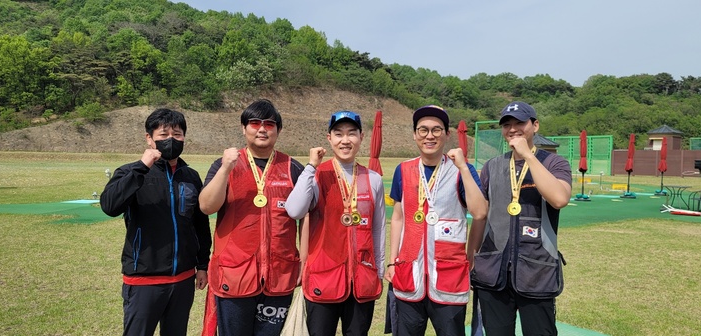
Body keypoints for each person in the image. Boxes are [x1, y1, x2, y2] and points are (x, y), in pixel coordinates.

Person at [100, 108, 212, 336]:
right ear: (149, 138)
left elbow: (200, 224)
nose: (171, 139)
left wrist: (202, 265)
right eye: (163, 135)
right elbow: (110, 206)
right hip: (143, 279)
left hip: (182, 279)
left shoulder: (190, 176)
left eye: (177, 134)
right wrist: (142, 167)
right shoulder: (130, 172)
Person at [199, 99, 305, 336]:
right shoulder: (225, 164)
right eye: (255, 123)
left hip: (279, 275)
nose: (262, 128)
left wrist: (304, 262)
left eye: (269, 124)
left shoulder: (292, 167)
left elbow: (306, 218)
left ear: (278, 129)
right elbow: (206, 206)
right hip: (234, 274)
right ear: (243, 128)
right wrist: (226, 168)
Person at [385, 105, 487, 336]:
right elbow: (398, 218)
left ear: (447, 135)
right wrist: (392, 260)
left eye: (436, 130)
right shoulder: (403, 169)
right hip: (409, 275)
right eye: (423, 130)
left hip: (449, 275)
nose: (429, 135)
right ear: (414, 134)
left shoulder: (462, 169)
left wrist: (462, 166)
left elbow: (480, 212)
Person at [471, 101, 571, 336]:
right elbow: (480, 216)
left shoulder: (554, 163)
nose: (513, 129)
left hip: (537, 271)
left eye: (520, 123)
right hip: (493, 272)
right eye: (507, 124)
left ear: (535, 126)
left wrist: (528, 155)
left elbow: (559, 199)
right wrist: (471, 259)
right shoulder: (492, 166)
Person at [284, 110, 386, 336]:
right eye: (338, 134)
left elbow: (378, 229)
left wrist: (377, 273)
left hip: (362, 280)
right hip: (324, 276)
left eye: (351, 133)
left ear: (361, 137)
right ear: (329, 138)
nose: (345, 140)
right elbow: (294, 210)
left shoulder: (374, 179)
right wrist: (311, 166)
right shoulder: (317, 175)